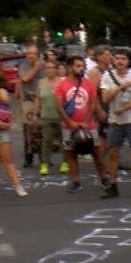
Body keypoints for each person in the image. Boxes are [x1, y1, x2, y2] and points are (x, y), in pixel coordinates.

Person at [99, 50, 131, 198]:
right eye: (117, 58)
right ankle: (113, 185)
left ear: (128, 61)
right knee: (113, 152)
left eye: (123, 59)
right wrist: (119, 88)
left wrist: (124, 108)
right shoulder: (107, 76)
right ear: (113, 61)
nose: (120, 61)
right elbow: (105, 99)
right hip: (115, 120)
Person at [55, 56, 105, 193]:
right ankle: (75, 181)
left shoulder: (88, 83)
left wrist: (87, 121)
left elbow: (93, 103)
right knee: (71, 153)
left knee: (96, 152)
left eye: (82, 66)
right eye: (77, 66)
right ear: (70, 67)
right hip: (68, 126)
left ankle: (103, 177)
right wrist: (69, 122)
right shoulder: (61, 84)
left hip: (89, 125)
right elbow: (59, 106)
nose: (81, 68)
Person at [37, 57, 66, 174]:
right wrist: (35, 113)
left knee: (64, 140)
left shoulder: (62, 82)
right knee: (46, 141)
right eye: (47, 68)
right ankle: (44, 163)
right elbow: (38, 99)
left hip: (61, 116)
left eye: (52, 67)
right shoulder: (41, 82)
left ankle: (65, 162)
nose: (49, 70)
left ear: (56, 69)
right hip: (46, 116)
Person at [18, 44, 44, 170]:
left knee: (41, 128)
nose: (31, 56)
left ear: (38, 54)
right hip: (28, 98)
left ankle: (43, 157)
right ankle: (29, 157)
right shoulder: (23, 66)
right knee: (28, 128)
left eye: (34, 53)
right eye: (29, 53)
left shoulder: (44, 65)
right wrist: (35, 67)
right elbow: (24, 78)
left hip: (42, 98)